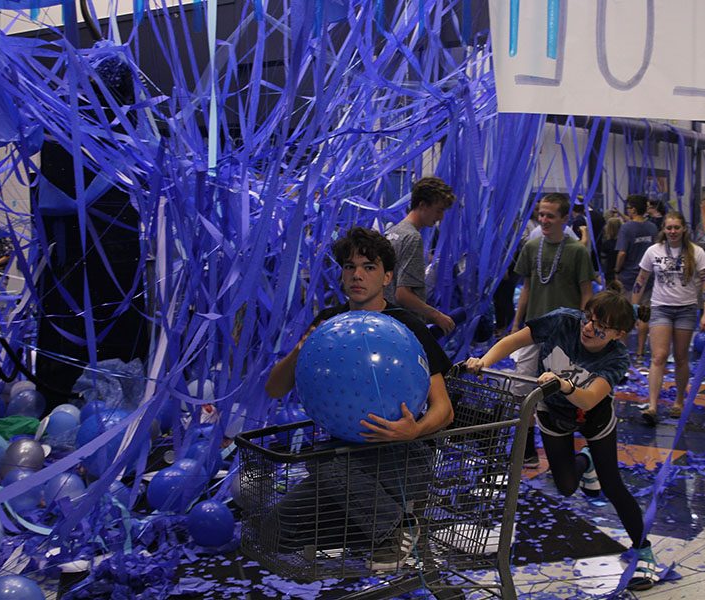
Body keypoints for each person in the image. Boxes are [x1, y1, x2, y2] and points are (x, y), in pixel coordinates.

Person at [264, 227, 453, 570]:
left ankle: (396, 527)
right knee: (273, 530)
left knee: (321, 458)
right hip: (345, 459)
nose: (357, 275)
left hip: (401, 456)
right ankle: (380, 526)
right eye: (349, 267)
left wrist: (414, 430)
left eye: (368, 267)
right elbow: (275, 389)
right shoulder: (328, 324)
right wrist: (299, 350)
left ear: (387, 276)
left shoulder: (408, 326)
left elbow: (445, 409)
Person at [465, 292, 659, 591]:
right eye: (589, 318)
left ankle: (643, 548)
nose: (589, 328)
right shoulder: (562, 321)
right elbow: (514, 341)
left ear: (619, 335)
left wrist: (565, 385)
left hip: (593, 417)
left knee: (612, 485)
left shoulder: (617, 357)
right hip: (554, 413)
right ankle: (585, 463)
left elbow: (591, 397)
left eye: (601, 327)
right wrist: (484, 361)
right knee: (567, 486)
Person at [512, 193, 595, 467]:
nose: (544, 220)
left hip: (564, 334)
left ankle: (566, 454)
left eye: (550, 215)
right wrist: (516, 325)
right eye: (541, 214)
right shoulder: (531, 246)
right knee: (521, 388)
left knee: (559, 393)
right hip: (533, 329)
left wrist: (585, 327)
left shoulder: (577, 251)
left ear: (564, 218)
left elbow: (586, 292)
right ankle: (526, 451)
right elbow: (526, 288)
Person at [631, 212, 705, 425]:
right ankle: (652, 405)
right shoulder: (653, 251)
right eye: (669, 228)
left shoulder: (697, 252)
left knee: (680, 357)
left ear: (683, 229)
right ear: (664, 229)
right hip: (660, 308)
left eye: (676, 227)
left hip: (686, 309)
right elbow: (641, 279)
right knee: (658, 356)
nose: (673, 232)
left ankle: (679, 400)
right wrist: (633, 307)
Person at [384, 176, 457, 335]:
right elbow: (402, 295)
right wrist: (436, 315)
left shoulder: (392, 233)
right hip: (402, 328)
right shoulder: (413, 238)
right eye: (439, 210)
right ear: (423, 205)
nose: (441, 217)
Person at [614, 195, 658, 363]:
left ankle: (623, 353)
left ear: (632, 209)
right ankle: (640, 353)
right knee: (644, 316)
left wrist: (616, 270)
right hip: (648, 277)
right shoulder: (652, 228)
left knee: (625, 316)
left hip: (628, 277)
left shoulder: (626, 228)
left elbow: (622, 253)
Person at [599, 217, 622, 285]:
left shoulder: (607, 244)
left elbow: (603, 261)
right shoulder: (624, 243)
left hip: (610, 274)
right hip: (623, 273)